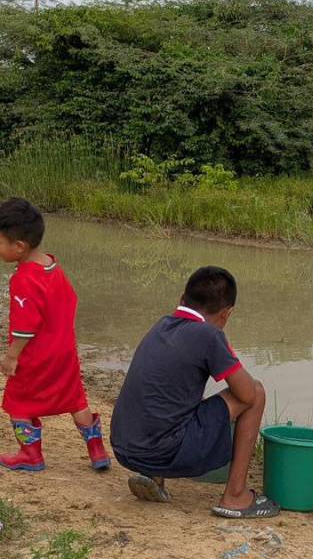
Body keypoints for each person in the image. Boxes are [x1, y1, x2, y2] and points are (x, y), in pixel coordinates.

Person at [110, 265, 279, 519]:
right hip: (161, 451)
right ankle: (235, 496)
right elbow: (246, 395)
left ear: (182, 299)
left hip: (124, 447)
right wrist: (224, 346)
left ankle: (154, 477)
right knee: (257, 391)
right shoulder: (209, 335)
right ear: (227, 314)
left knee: (178, 396)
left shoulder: (162, 324)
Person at [0, 197, 111, 472]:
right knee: (76, 399)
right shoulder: (53, 268)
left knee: (18, 402)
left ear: (19, 246)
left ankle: (30, 455)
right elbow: (70, 302)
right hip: (64, 353)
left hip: (37, 357)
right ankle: (97, 451)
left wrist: (11, 356)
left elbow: (25, 327)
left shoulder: (24, 279)